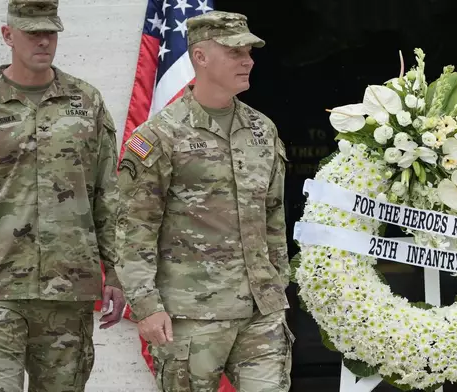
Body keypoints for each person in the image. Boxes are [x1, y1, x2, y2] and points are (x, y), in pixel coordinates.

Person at [0, 1, 125, 391]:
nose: (43, 41)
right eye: (32, 32)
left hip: (68, 290)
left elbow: (110, 196)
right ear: (8, 36)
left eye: (50, 32)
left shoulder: (86, 103)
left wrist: (118, 273)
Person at [115, 10, 294, 392]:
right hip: (190, 316)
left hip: (261, 312)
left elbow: (274, 215)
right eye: (235, 52)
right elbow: (134, 231)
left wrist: (278, 285)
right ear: (200, 57)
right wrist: (147, 306)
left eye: (249, 51)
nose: (248, 60)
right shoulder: (159, 135)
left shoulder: (262, 129)